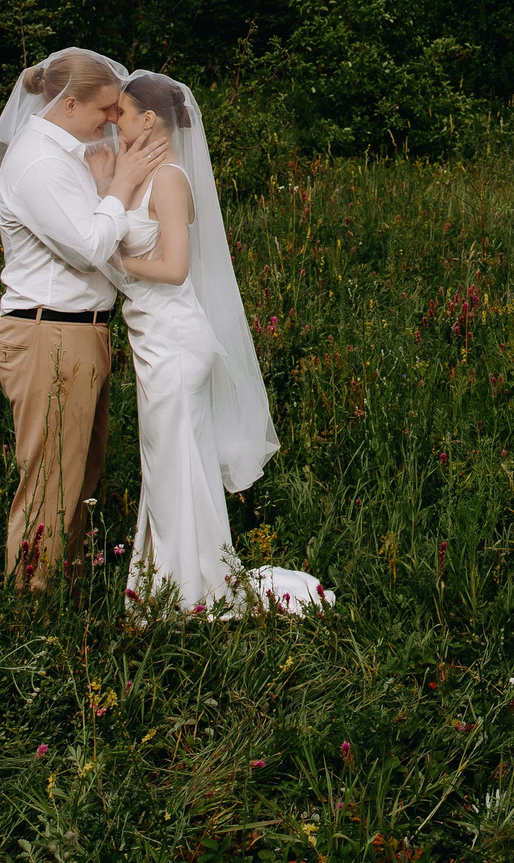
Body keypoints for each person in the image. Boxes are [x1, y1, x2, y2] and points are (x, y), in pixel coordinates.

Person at [106, 70, 329, 617]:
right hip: (155, 340)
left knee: (175, 466)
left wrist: (115, 264)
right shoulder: (142, 174)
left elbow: (176, 267)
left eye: (122, 112)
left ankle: (186, 594)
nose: (114, 120)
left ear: (149, 119)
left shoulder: (170, 180)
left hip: (176, 344)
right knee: (168, 466)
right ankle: (169, 586)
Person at [0, 48, 164, 588]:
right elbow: (87, 246)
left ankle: (67, 600)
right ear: (69, 103)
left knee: (79, 479)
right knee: (49, 487)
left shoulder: (67, 156)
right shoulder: (39, 161)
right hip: (48, 333)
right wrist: (124, 184)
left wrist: (108, 184)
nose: (112, 119)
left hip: (76, 333)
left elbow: (92, 230)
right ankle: (31, 614)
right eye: (105, 108)